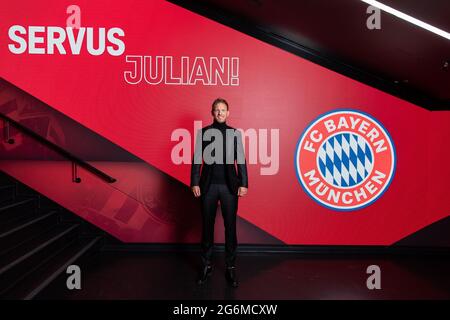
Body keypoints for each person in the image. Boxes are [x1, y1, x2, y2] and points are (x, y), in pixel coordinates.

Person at [190, 98, 248, 288]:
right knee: (207, 227)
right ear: (212, 112)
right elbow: (197, 159)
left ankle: (230, 267)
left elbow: (241, 160)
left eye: (223, 110)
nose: (220, 113)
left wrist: (244, 183)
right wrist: (195, 182)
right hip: (207, 187)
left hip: (229, 188)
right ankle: (206, 265)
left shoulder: (235, 134)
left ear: (228, 112)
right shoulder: (204, 133)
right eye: (217, 110)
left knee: (230, 228)